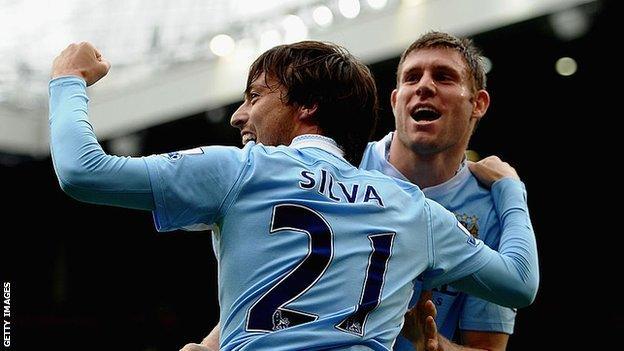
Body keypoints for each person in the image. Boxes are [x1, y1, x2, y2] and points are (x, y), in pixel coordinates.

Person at [49, 40, 538, 351]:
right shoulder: (414, 208)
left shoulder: (242, 169)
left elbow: (81, 171)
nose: (240, 116)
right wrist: (512, 190)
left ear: (307, 107)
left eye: (255, 97)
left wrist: (68, 80)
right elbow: (520, 281)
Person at [194, 32, 534, 351]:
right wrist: (209, 345)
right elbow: (274, 282)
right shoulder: (340, 164)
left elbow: (488, 346)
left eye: (444, 77)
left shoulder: (489, 210)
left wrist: (429, 343)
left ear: (479, 103)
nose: (424, 86)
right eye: (411, 78)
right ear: (396, 99)